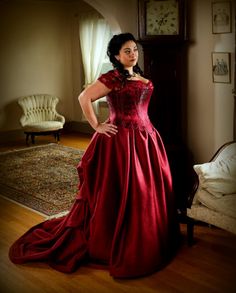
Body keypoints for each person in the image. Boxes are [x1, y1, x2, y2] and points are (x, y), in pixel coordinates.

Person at [9, 33, 180, 278]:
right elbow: (84, 97)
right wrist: (96, 125)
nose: (133, 54)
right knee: (119, 190)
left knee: (144, 190)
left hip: (146, 138)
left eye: (134, 50)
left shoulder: (139, 76)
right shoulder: (113, 78)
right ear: (116, 56)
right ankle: (120, 238)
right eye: (127, 51)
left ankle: (146, 234)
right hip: (121, 141)